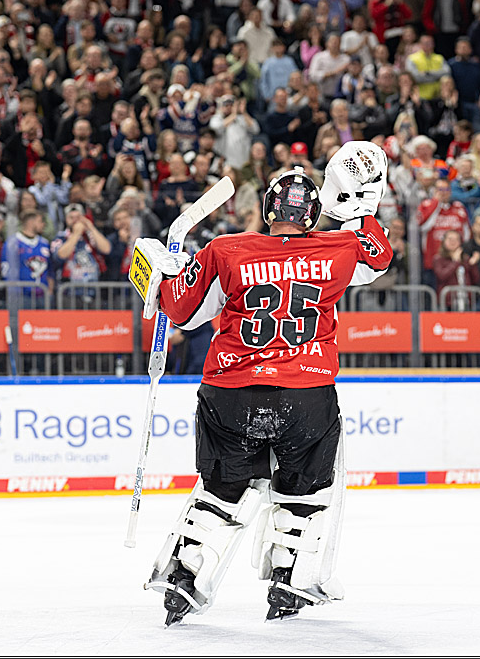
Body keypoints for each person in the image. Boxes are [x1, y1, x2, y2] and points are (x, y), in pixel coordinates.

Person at [138, 143, 392, 625]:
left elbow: (182, 311)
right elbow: (379, 256)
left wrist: (158, 272)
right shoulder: (336, 248)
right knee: (302, 491)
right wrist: (359, 205)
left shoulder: (226, 249)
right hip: (306, 391)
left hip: (229, 391)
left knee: (222, 489)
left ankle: (183, 577)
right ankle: (289, 582)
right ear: (315, 213)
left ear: (268, 208)